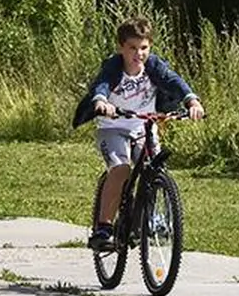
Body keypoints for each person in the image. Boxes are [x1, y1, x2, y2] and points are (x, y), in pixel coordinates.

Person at [72, 17, 205, 251]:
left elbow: (172, 80)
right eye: (132, 48)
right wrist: (102, 102)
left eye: (144, 48)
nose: (138, 54)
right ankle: (103, 228)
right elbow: (101, 85)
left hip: (143, 126)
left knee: (154, 169)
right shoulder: (114, 67)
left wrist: (192, 101)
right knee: (121, 169)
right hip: (113, 127)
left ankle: (152, 217)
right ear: (121, 47)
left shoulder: (153, 66)